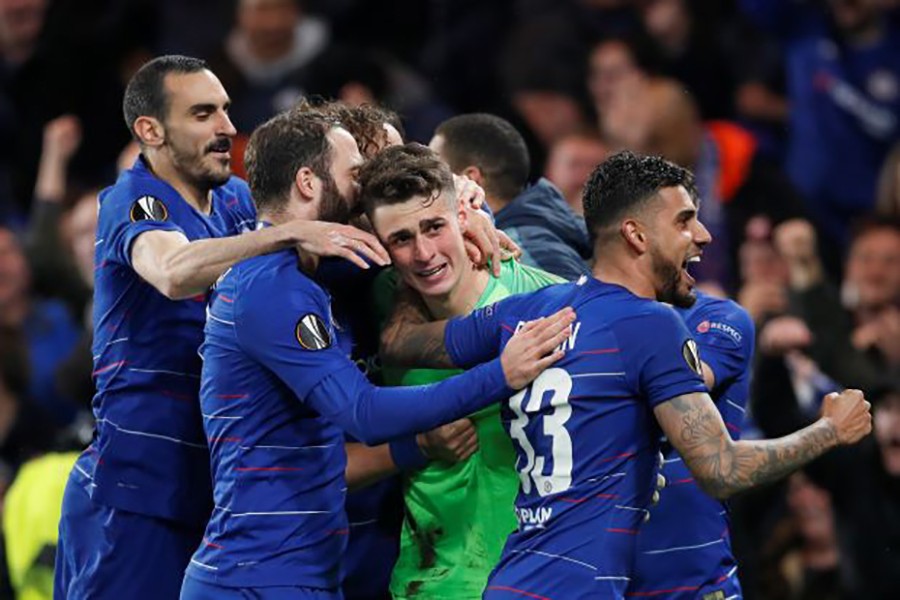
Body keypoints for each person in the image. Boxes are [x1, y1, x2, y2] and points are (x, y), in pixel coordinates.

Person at [382, 151, 871, 599]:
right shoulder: (650, 323)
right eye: (684, 221)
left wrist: (412, 273)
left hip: (513, 582)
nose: (703, 236)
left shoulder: (532, 310)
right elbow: (721, 469)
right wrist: (830, 430)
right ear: (637, 235)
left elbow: (399, 342)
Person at [179, 109, 574, 599]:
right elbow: (362, 412)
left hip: (305, 570)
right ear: (308, 181)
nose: (364, 185)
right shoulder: (269, 287)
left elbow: (413, 238)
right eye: (354, 173)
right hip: (255, 577)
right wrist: (501, 374)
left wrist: (470, 211)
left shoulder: (325, 271)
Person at [53, 55, 392, 600]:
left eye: (227, 111)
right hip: (136, 491)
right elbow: (172, 271)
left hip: (212, 490)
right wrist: (288, 233)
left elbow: (333, 224)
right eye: (203, 113)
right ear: (151, 130)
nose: (227, 129)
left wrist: (467, 215)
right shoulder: (132, 201)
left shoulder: (236, 199)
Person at [354, 143, 564, 599]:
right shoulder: (377, 303)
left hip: (535, 581)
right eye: (402, 239)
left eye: (434, 227)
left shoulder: (548, 304)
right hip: (428, 585)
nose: (424, 253)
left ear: (463, 220)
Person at [630, 290, 755, 598]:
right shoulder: (576, 311)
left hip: (696, 589)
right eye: (683, 235)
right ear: (636, 238)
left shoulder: (719, 318)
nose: (703, 238)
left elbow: (682, 382)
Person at [430, 113, 592, 281]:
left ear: (471, 180)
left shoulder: (525, 251)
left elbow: (582, 305)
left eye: (436, 172)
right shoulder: (543, 221)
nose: (428, 184)